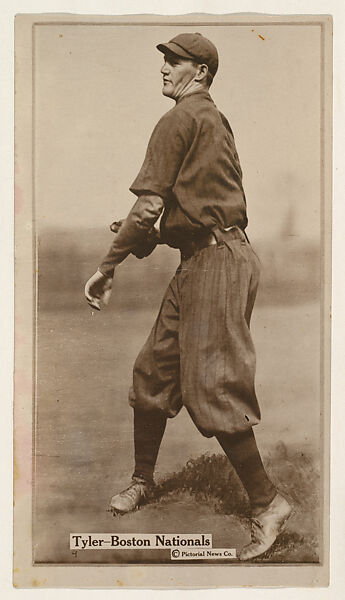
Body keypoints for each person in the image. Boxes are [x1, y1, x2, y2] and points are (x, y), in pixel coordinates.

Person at [84, 32, 292, 561]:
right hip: (206, 256)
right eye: (165, 61)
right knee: (154, 370)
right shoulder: (212, 119)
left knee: (213, 385)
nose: (164, 69)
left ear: (199, 71)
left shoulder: (180, 119)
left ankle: (268, 505)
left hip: (216, 261)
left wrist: (109, 265)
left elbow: (149, 207)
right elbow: (191, 213)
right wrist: (151, 233)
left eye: (173, 62)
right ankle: (143, 479)